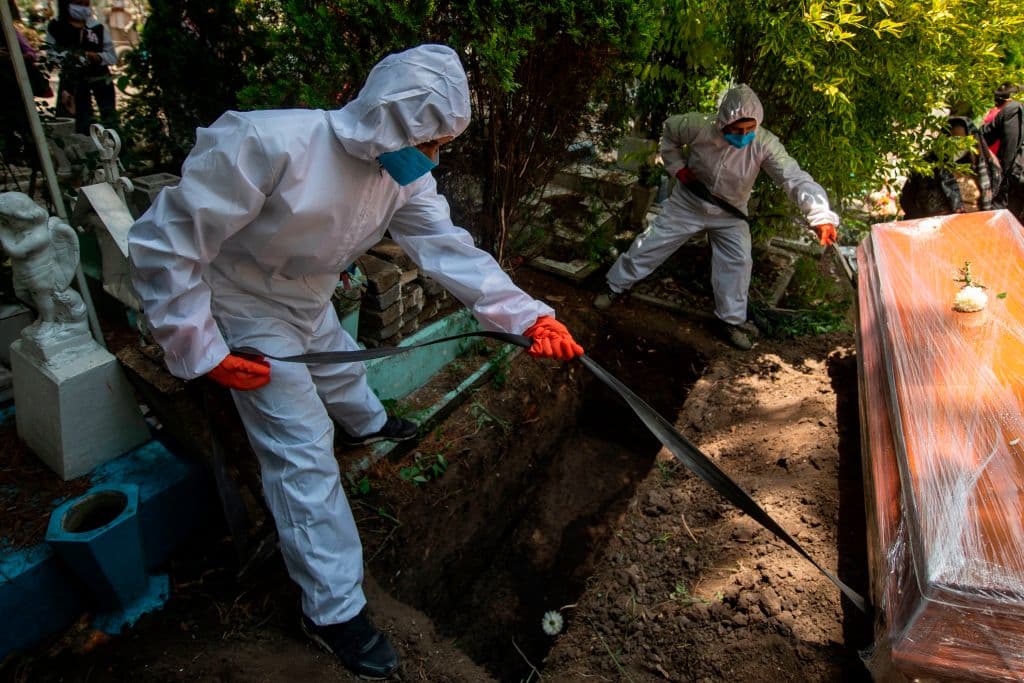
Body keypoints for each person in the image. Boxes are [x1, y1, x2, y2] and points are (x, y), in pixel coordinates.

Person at [127, 44, 583, 679]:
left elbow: (450, 250)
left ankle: (368, 423)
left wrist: (528, 314)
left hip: (308, 295)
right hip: (241, 303)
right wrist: (201, 349)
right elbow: (165, 241)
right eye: (432, 141)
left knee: (341, 363)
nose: (435, 156)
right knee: (300, 444)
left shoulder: (402, 178)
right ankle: (333, 609)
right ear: (391, 123)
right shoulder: (265, 142)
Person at [594, 85, 839, 350]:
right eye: (737, 129)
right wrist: (677, 168)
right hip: (688, 203)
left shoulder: (764, 144)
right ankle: (614, 286)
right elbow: (669, 133)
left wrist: (820, 216)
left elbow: (793, 177)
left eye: (749, 130)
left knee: (738, 261)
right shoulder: (698, 125)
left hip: (730, 212)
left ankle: (731, 320)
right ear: (724, 121)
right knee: (652, 243)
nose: (743, 135)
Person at [900, 115, 998, 219]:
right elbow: (906, 199)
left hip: (978, 226)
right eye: (951, 140)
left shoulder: (984, 166)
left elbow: (998, 197)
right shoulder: (928, 165)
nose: (956, 146)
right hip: (939, 227)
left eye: (961, 141)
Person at [45, 0, 117, 135]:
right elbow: (51, 54)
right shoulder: (56, 26)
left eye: (86, 4)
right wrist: (74, 57)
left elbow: (112, 56)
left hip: (100, 77)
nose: (83, 8)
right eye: (78, 3)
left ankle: (113, 147)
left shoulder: (97, 27)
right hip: (73, 81)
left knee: (109, 115)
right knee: (78, 119)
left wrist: (98, 57)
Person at [981, 83, 1023, 221]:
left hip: (1014, 179)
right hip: (1016, 177)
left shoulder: (1013, 109)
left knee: (1005, 223)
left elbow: (986, 136)